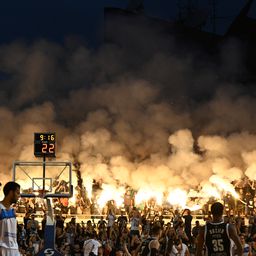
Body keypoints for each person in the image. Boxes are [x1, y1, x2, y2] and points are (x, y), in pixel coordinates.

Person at [0, 181, 21, 256]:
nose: (19, 196)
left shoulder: (13, 211)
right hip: (3, 249)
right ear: (11, 192)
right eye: (17, 193)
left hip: (14, 249)